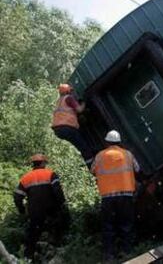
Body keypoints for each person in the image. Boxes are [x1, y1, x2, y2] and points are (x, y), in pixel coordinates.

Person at [91, 130, 140, 261]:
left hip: (108, 196)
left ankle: (109, 255)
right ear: (119, 142)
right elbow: (137, 168)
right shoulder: (128, 154)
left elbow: (93, 170)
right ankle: (126, 251)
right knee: (126, 223)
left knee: (108, 225)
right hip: (126, 195)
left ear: (107, 142)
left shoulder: (100, 156)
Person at [13, 154, 69, 260]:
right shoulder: (51, 174)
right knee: (58, 231)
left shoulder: (26, 178)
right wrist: (62, 205)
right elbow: (58, 192)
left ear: (33, 164)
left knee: (32, 236)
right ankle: (58, 255)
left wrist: (22, 211)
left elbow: (17, 197)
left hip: (35, 213)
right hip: (52, 211)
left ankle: (27, 258)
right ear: (43, 163)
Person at [52, 83, 94, 167]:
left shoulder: (59, 101)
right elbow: (79, 110)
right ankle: (92, 165)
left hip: (58, 130)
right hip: (67, 128)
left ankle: (88, 161)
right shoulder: (69, 98)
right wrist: (84, 102)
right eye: (71, 91)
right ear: (68, 91)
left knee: (80, 145)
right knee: (84, 147)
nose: (72, 93)